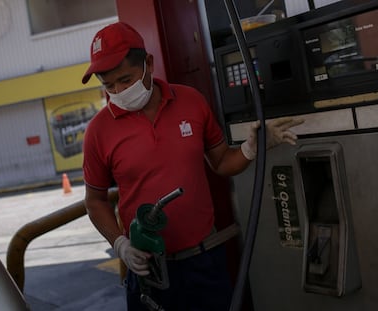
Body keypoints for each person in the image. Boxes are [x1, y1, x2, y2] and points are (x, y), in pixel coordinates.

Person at [81, 21, 303, 311]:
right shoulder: (98, 131)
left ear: (148, 63)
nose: (118, 92)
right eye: (108, 85)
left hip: (203, 262)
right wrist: (121, 245)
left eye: (125, 80)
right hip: (148, 271)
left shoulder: (190, 102)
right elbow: (95, 201)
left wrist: (251, 148)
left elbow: (222, 161)